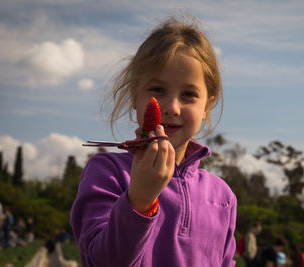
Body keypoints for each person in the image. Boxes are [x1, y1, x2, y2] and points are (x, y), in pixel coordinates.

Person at [70, 15, 236, 267]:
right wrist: (139, 199)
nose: (171, 107)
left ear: (207, 106)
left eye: (189, 94)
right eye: (157, 90)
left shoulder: (223, 196)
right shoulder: (107, 173)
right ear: (135, 95)